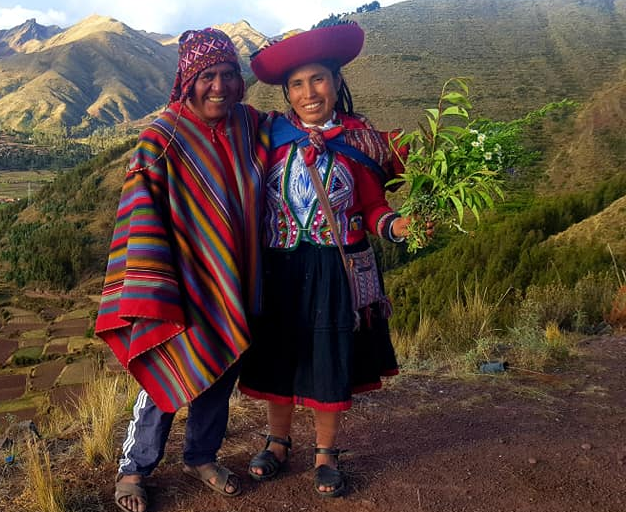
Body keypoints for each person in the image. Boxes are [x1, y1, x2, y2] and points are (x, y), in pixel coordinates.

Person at [237, 21, 423, 498]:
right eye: (296, 84)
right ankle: (277, 442)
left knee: (326, 357)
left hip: (332, 272)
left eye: (317, 79)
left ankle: (325, 453)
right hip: (278, 267)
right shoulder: (268, 137)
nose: (308, 91)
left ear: (337, 81)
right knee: (279, 353)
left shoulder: (360, 142)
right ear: (286, 92)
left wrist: (396, 225)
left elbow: (374, 206)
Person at [94, 28, 269, 512]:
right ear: (188, 81)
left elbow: (300, 138)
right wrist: (159, 280)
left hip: (235, 279)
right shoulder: (162, 138)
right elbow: (139, 216)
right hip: (181, 283)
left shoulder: (251, 125)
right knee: (164, 378)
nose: (220, 86)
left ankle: (201, 455)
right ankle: (135, 468)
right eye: (208, 76)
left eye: (229, 75)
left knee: (220, 371)